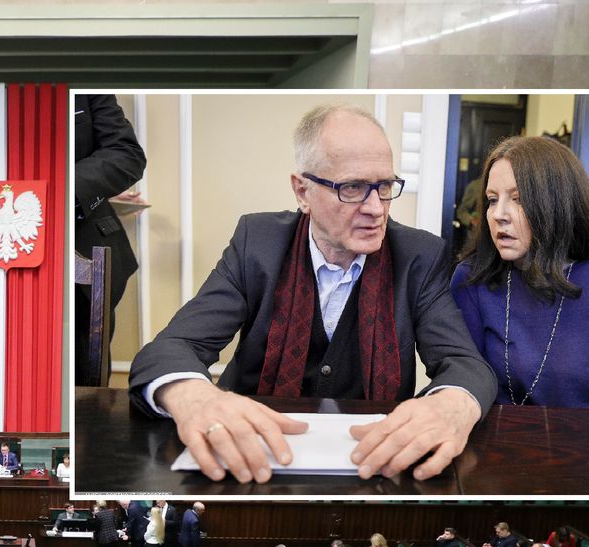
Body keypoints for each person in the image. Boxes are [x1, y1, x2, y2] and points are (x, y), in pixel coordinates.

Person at [128, 104, 495, 484]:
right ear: (302, 190)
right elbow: (171, 348)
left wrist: (453, 405)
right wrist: (194, 397)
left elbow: (465, 363)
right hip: (248, 462)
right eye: (353, 188)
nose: (375, 209)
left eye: (384, 187)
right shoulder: (257, 243)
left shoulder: (419, 255)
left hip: (375, 467)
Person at [451, 135, 589, 409]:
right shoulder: (469, 278)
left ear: (558, 203)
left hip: (588, 448)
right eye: (492, 199)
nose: (498, 214)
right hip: (497, 445)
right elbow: (463, 390)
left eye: (518, 199)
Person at [75, 93, 146, 386]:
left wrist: (66, 186)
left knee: (86, 388)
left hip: (85, 274)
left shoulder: (89, 86)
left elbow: (125, 153)